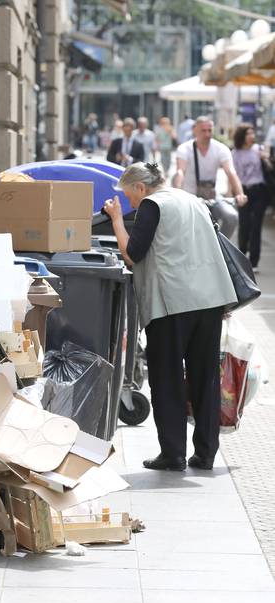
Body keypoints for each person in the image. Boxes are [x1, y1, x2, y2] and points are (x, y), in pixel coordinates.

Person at [103, 162, 237, 471]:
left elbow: (132, 254)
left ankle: (173, 453)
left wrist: (116, 220)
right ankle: (205, 454)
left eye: (129, 196)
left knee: (167, 379)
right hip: (209, 301)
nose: (131, 204)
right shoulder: (193, 200)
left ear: (141, 188)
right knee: (205, 378)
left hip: (172, 304)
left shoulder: (152, 204)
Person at [173, 116, 247, 238]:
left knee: (231, 217)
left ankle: (219, 247)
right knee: (184, 229)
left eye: (210, 130)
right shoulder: (185, 149)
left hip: (212, 197)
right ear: (195, 130)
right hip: (190, 198)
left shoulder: (220, 148)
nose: (207, 134)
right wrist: (177, 192)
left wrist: (240, 193)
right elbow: (180, 171)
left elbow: (231, 172)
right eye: (203, 130)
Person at [232, 123, 269, 273]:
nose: (252, 136)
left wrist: (265, 158)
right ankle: (242, 256)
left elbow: (269, 169)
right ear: (242, 136)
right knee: (244, 225)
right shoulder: (235, 153)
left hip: (259, 191)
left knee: (256, 226)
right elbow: (232, 175)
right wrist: (232, 193)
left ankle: (254, 262)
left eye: (253, 133)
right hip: (243, 191)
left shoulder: (258, 150)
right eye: (248, 134)